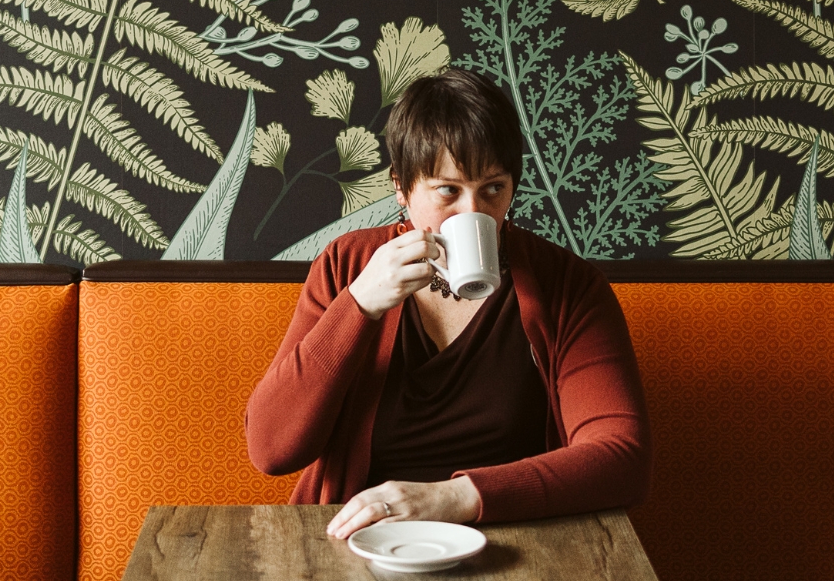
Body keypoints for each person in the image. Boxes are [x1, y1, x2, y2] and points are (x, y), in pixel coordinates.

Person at [244, 67, 651, 540]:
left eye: (493, 188)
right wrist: (358, 306)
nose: (473, 213)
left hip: (515, 537)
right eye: (448, 191)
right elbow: (271, 450)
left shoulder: (567, 285)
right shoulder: (347, 265)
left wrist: (451, 498)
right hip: (362, 537)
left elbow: (624, 458)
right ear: (401, 187)